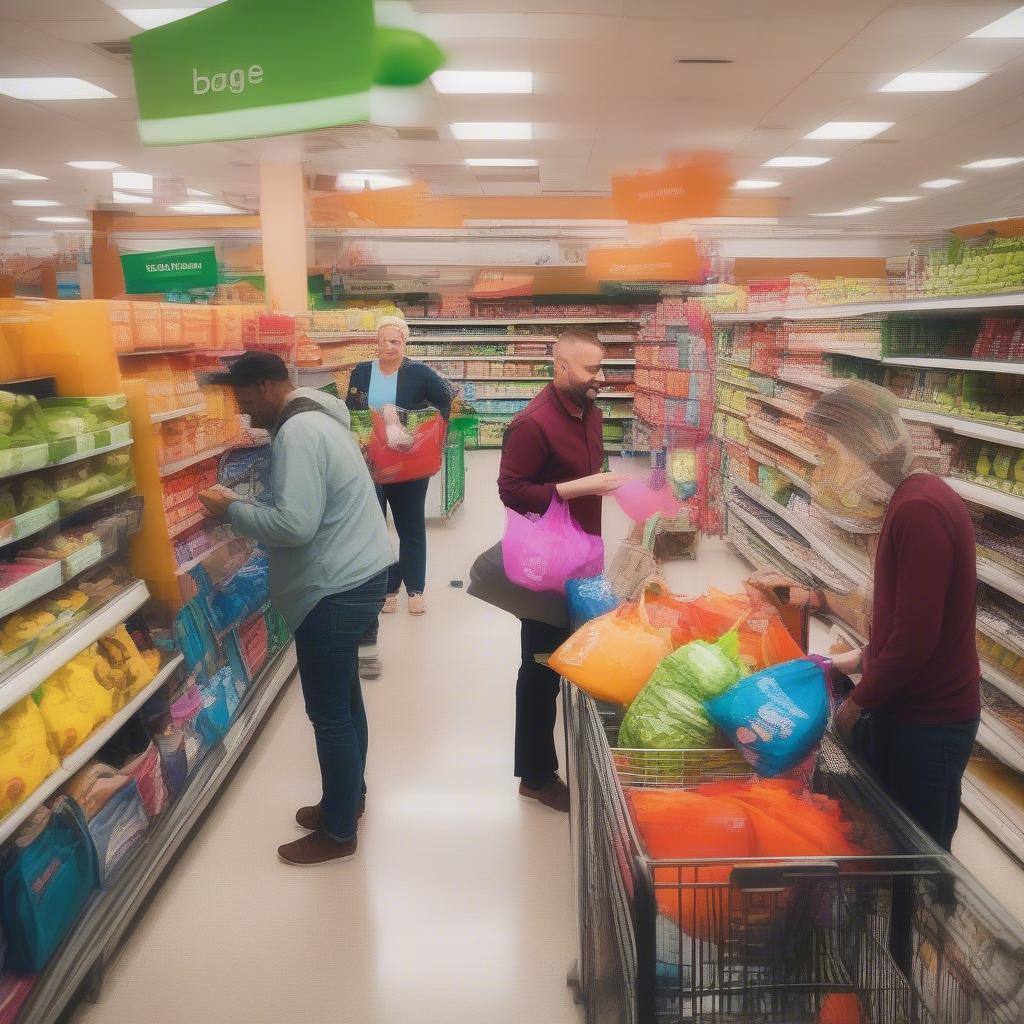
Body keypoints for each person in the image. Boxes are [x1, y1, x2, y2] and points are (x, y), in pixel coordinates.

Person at [749, 380, 980, 852]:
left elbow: (914, 641)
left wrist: (856, 706)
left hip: (929, 721)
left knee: (923, 855)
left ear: (866, 448)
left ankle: (925, 923)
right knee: (900, 839)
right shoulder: (911, 499)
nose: (829, 467)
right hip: (914, 709)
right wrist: (842, 664)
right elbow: (904, 623)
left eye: (833, 452)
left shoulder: (920, 511)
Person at [198, 352, 393, 866]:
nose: (245, 415)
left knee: (329, 715)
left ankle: (337, 833)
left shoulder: (299, 434)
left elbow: (295, 526)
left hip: (335, 587)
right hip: (359, 572)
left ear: (265, 388)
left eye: (245, 403)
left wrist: (232, 510)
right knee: (346, 703)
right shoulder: (320, 418)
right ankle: (347, 801)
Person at [498, 329, 626, 812]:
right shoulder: (533, 423)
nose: (600, 377)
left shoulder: (590, 412)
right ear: (562, 367)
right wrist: (577, 488)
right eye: (591, 369)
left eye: (601, 367)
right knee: (541, 666)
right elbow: (511, 490)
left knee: (576, 655)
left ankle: (570, 744)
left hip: (584, 557)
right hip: (547, 565)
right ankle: (535, 774)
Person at [347, 315, 453, 678]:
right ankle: (389, 588)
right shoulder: (361, 372)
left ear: (405, 344)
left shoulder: (420, 373)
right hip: (372, 464)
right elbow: (353, 410)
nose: (388, 346)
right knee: (376, 528)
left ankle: (416, 590)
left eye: (396, 341)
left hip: (409, 464)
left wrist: (429, 435)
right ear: (375, 342)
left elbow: (443, 403)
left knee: (410, 527)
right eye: (383, 340)